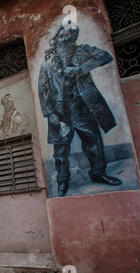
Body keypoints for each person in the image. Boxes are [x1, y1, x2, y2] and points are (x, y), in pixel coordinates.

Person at [38, 23, 122, 197]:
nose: (65, 38)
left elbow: (105, 56)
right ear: (57, 38)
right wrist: (49, 113)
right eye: (62, 35)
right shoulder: (47, 64)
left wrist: (79, 69)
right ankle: (62, 180)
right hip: (60, 112)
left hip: (82, 107)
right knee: (60, 150)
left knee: (94, 142)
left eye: (69, 35)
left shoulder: (83, 51)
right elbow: (42, 90)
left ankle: (99, 174)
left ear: (73, 38)